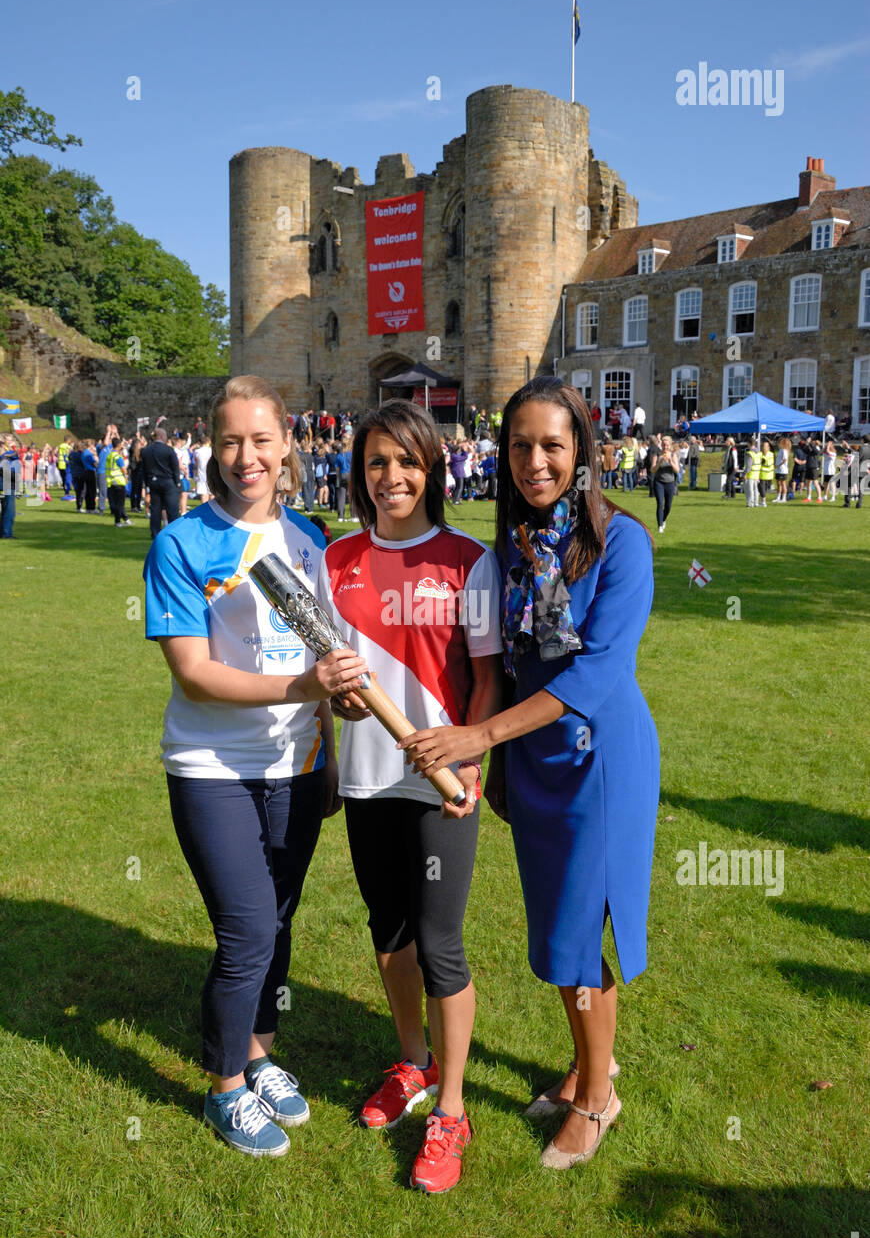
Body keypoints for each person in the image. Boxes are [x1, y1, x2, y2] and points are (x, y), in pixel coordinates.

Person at [398, 377, 658, 1170]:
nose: (535, 461)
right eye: (520, 446)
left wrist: (478, 736)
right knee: (556, 931)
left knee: (583, 931)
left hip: (599, 762)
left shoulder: (622, 542)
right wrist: (500, 757)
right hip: (534, 761)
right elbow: (511, 663)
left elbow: (592, 675)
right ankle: (588, 1060)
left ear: (582, 450)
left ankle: (597, 1099)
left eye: (553, 445)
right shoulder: (513, 546)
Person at [143, 374, 369, 1157]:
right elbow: (195, 673)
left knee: (277, 923)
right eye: (231, 440)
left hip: (299, 767)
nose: (247, 456)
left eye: (261, 439)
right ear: (214, 447)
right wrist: (301, 685)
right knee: (243, 930)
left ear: (286, 445)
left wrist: (331, 739)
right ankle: (224, 1088)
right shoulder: (182, 542)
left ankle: (259, 1051)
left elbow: (329, 660)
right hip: (211, 766)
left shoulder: (311, 541)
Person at [318, 399, 502, 1193]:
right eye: (376, 463)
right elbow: (329, 675)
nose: (391, 477)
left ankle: (452, 1108)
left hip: (439, 784)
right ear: (360, 474)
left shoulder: (468, 559)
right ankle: (413, 1063)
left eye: (407, 461)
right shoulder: (334, 560)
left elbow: (490, 674)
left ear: (432, 468)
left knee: (440, 942)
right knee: (388, 931)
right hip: (366, 774)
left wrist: (470, 759)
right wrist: (337, 702)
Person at [141, 427, 181, 539]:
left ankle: (155, 532)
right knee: (172, 509)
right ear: (163, 437)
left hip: (153, 482)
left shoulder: (146, 451)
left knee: (156, 509)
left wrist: (147, 483)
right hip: (168, 482)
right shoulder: (168, 450)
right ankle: (173, 532)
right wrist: (177, 481)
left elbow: (143, 469)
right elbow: (175, 466)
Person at [652, 438, 678, 531]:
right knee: (660, 504)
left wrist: (670, 461)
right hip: (659, 482)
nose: (665, 447)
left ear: (670, 445)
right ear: (661, 445)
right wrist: (660, 462)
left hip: (670, 483)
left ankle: (663, 519)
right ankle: (659, 526)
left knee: (668, 506)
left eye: (667, 445)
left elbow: (677, 470)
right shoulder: (657, 455)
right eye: (663, 445)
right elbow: (652, 470)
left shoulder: (673, 455)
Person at [106, 438, 131, 526]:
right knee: (120, 504)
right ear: (119, 445)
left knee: (116, 503)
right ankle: (118, 521)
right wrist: (126, 476)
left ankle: (125, 519)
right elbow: (124, 469)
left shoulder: (109, 455)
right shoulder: (118, 457)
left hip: (110, 481)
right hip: (119, 482)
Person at [0, 434, 20, 538]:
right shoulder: (5, 451)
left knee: (5, 510)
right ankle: (6, 533)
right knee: (9, 511)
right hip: (6, 481)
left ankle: (3, 532)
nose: (10, 441)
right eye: (7, 440)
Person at [803, 438, 823, 503]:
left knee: (815, 482)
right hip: (808, 466)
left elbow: (816, 452)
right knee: (808, 482)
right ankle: (808, 497)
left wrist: (811, 444)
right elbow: (804, 450)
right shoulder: (811, 449)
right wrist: (806, 443)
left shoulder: (817, 448)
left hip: (814, 467)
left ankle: (819, 498)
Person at [744, 440, 761, 507]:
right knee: (756, 489)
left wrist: (745, 474)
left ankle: (750, 503)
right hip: (757, 473)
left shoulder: (750, 453)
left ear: (749, 444)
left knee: (750, 489)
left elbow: (748, 465)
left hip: (751, 473)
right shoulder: (759, 453)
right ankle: (756, 503)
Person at [758, 440, 775, 507]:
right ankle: (762, 501)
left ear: (768, 447)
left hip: (767, 475)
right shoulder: (760, 454)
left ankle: (764, 502)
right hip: (762, 474)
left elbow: (769, 463)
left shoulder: (771, 454)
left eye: (765, 446)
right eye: (763, 446)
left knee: (763, 488)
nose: (764, 448)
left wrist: (763, 461)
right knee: (761, 488)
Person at [774, 437, 791, 502]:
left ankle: (784, 498)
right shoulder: (781, 450)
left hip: (783, 470)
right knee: (778, 484)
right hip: (778, 470)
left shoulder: (785, 451)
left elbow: (784, 460)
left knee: (783, 484)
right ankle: (778, 497)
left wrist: (778, 465)